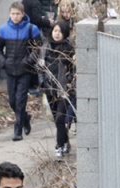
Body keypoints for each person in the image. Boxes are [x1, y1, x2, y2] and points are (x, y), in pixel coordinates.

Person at [0, 2, 43, 142]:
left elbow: (37, 48)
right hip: (10, 69)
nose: (15, 17)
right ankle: (25, 118)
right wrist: (3, 62)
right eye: (13, 14)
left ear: (23, 14)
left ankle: (18, 129)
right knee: (12, 101)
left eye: (18, 14)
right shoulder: (3, 30)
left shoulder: (31, 29)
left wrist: (28, 61)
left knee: (21, 100)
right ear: (10, 14)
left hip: (25, 70)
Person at [40, 21, 74, 158]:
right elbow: (39, 68)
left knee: (60, 119)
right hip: (49, 88)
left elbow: (72, 69)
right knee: (56, 120)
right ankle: (65, 141)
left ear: (64, 33)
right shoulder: (45, 47)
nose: (57, 33)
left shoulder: (69, 48)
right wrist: (42, 82)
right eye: (55, 30)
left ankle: (59, 146)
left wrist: (69, 83)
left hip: (64, 89)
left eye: (60, 31)